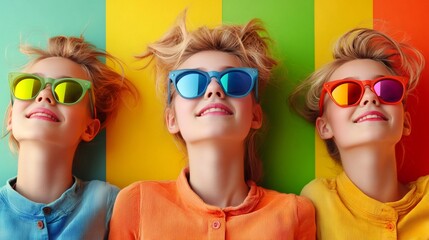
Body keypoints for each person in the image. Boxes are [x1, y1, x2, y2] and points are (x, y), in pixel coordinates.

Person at [109, 12, 316, 239]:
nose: (214, 89)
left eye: (235, 80)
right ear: (172, 119)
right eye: (191, 82)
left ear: (256, 116)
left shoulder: (294, 213)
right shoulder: (137, 203)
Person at [290, 27, 428, 239]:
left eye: (387, 89)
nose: (370, 97)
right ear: (325, 127)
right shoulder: (316, 201)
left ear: (405, 122)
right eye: (347, 91)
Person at [0, 35, 137, 239]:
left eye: (68, 90)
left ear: (90, 128)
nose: (44, 96)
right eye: (29, 85)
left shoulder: (111, 204)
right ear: (11, 117)